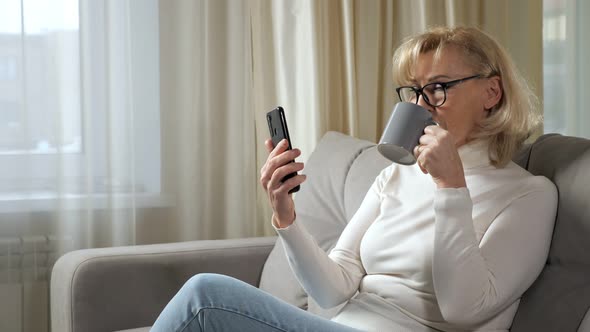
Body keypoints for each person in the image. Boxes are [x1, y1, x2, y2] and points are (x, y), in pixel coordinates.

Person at [151, 26, 557, 332]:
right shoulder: (396, 176)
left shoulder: (528, 195)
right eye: (414, 91)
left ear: (491, 93)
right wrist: (287, 218)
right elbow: (334, 288)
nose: (421, 105)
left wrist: (451, 188)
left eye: (438, 88)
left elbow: (463, 309)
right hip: (342, 323)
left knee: (205, 297)